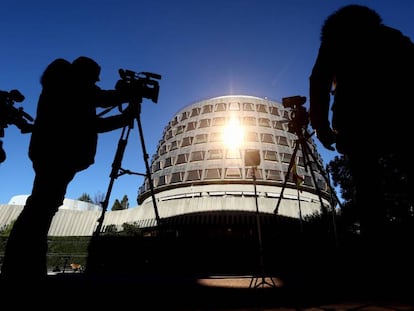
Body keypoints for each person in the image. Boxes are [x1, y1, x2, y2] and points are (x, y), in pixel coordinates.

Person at [0, 56, 136, 282]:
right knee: (40, 210)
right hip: (58, 155)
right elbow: (96, 110)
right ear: (84, 75)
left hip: (53, 155)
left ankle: (23, 269)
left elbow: (92, 118)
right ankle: (21, 272)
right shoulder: (71, 87)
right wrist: (125, 102)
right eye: (94, 79)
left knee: (42, 208)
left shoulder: (65, 89)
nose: (95, 84)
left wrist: (122, 111)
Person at [309, 4, 414, 285]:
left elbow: (319, 80)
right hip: (397, 117)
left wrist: (321, 126)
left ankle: (376, 260)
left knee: (368, 190)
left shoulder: (334, 43)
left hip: (355, 123)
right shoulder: (392, 37)